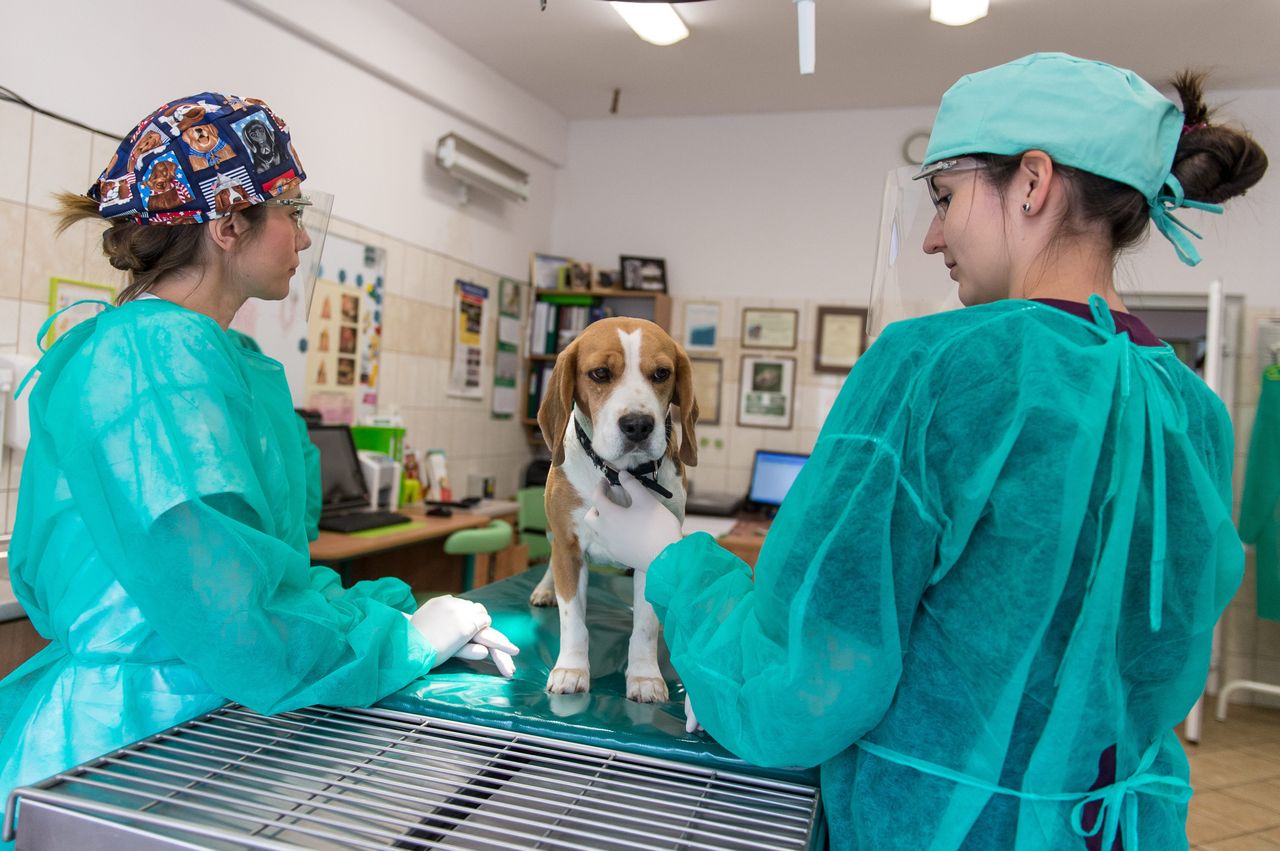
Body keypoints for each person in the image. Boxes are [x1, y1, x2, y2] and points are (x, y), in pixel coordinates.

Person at [585, 54, 1267, 849]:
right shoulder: (1192, 410)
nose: (934, 235)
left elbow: (801, 687)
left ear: (1034, 182)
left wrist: (674, 558)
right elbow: (1150, 672)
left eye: (944, 196)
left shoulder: (933, 367)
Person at [0, 92, 517, 809]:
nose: (303, 239)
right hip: (130, 749)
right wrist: (402, 646)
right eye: (293, 213)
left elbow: (270, 578)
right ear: (228, 221)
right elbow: (236, 617)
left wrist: (389, 621)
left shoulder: (209, 359)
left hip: (211, 718)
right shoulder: (152, 364)